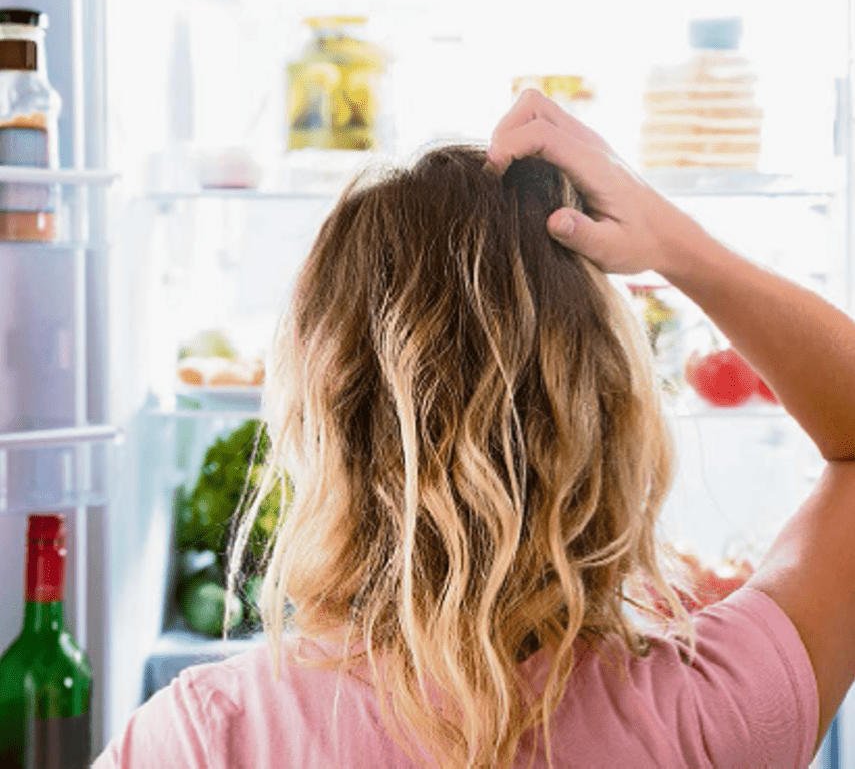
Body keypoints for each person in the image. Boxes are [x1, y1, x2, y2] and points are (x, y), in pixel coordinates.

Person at [92, 88, 855, 768]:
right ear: (609, 407)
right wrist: (672, 241)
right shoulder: (710, 714)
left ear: (324, 414)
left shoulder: (203, 737)